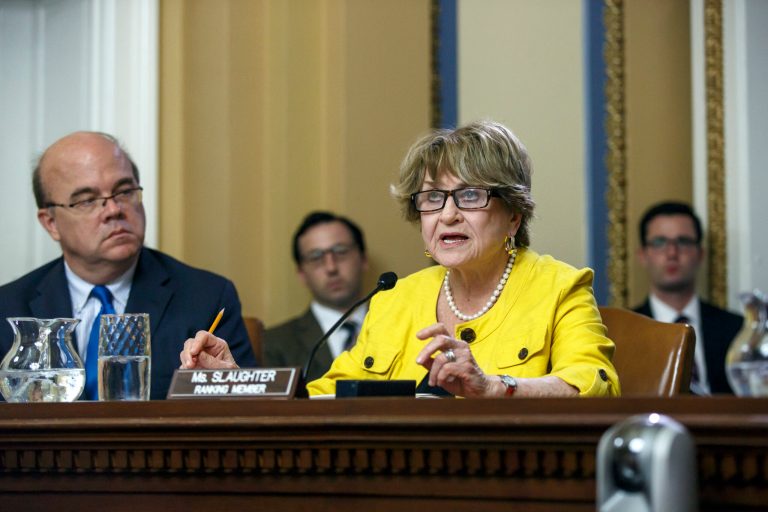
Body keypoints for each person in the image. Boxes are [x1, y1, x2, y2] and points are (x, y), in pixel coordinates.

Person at [181, 120, 619, 398]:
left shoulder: (560, 287)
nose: (447, 213)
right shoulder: (396, 298)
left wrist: (492, 387)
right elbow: (324, 399)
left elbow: (596, 385)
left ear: (513, 215)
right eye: (432, 198)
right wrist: (236, 381)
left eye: (469, 195)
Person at [0, 131, 257, 400]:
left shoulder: (206, 297)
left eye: (124, 191)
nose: (113, 209)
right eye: (87, 200)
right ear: (51, 223)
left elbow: (249, 417)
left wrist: (230, 385)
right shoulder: (7, 309)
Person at [634, 201, 743, 394]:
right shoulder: (623, 331)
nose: (672, 253)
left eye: (683, 241)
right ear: (643, 255)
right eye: (660, 242)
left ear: (700, 254)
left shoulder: (737, 330)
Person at [263, 211, 369, 380]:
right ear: (301, 273)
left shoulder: (402, 326)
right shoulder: (273, 343)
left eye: (341, 251)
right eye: (316, 257)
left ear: (363, 258)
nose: (331, 267)